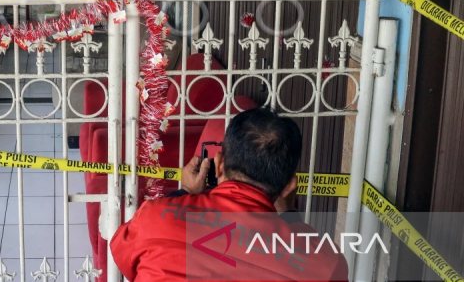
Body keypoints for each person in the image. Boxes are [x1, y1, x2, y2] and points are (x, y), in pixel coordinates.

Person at [110, 107, 348, 281]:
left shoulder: (154, 217)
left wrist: (185, 193)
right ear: (289, 186)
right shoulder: (326, 263)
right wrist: (288, 214)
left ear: (220, 164)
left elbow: (122, 255)